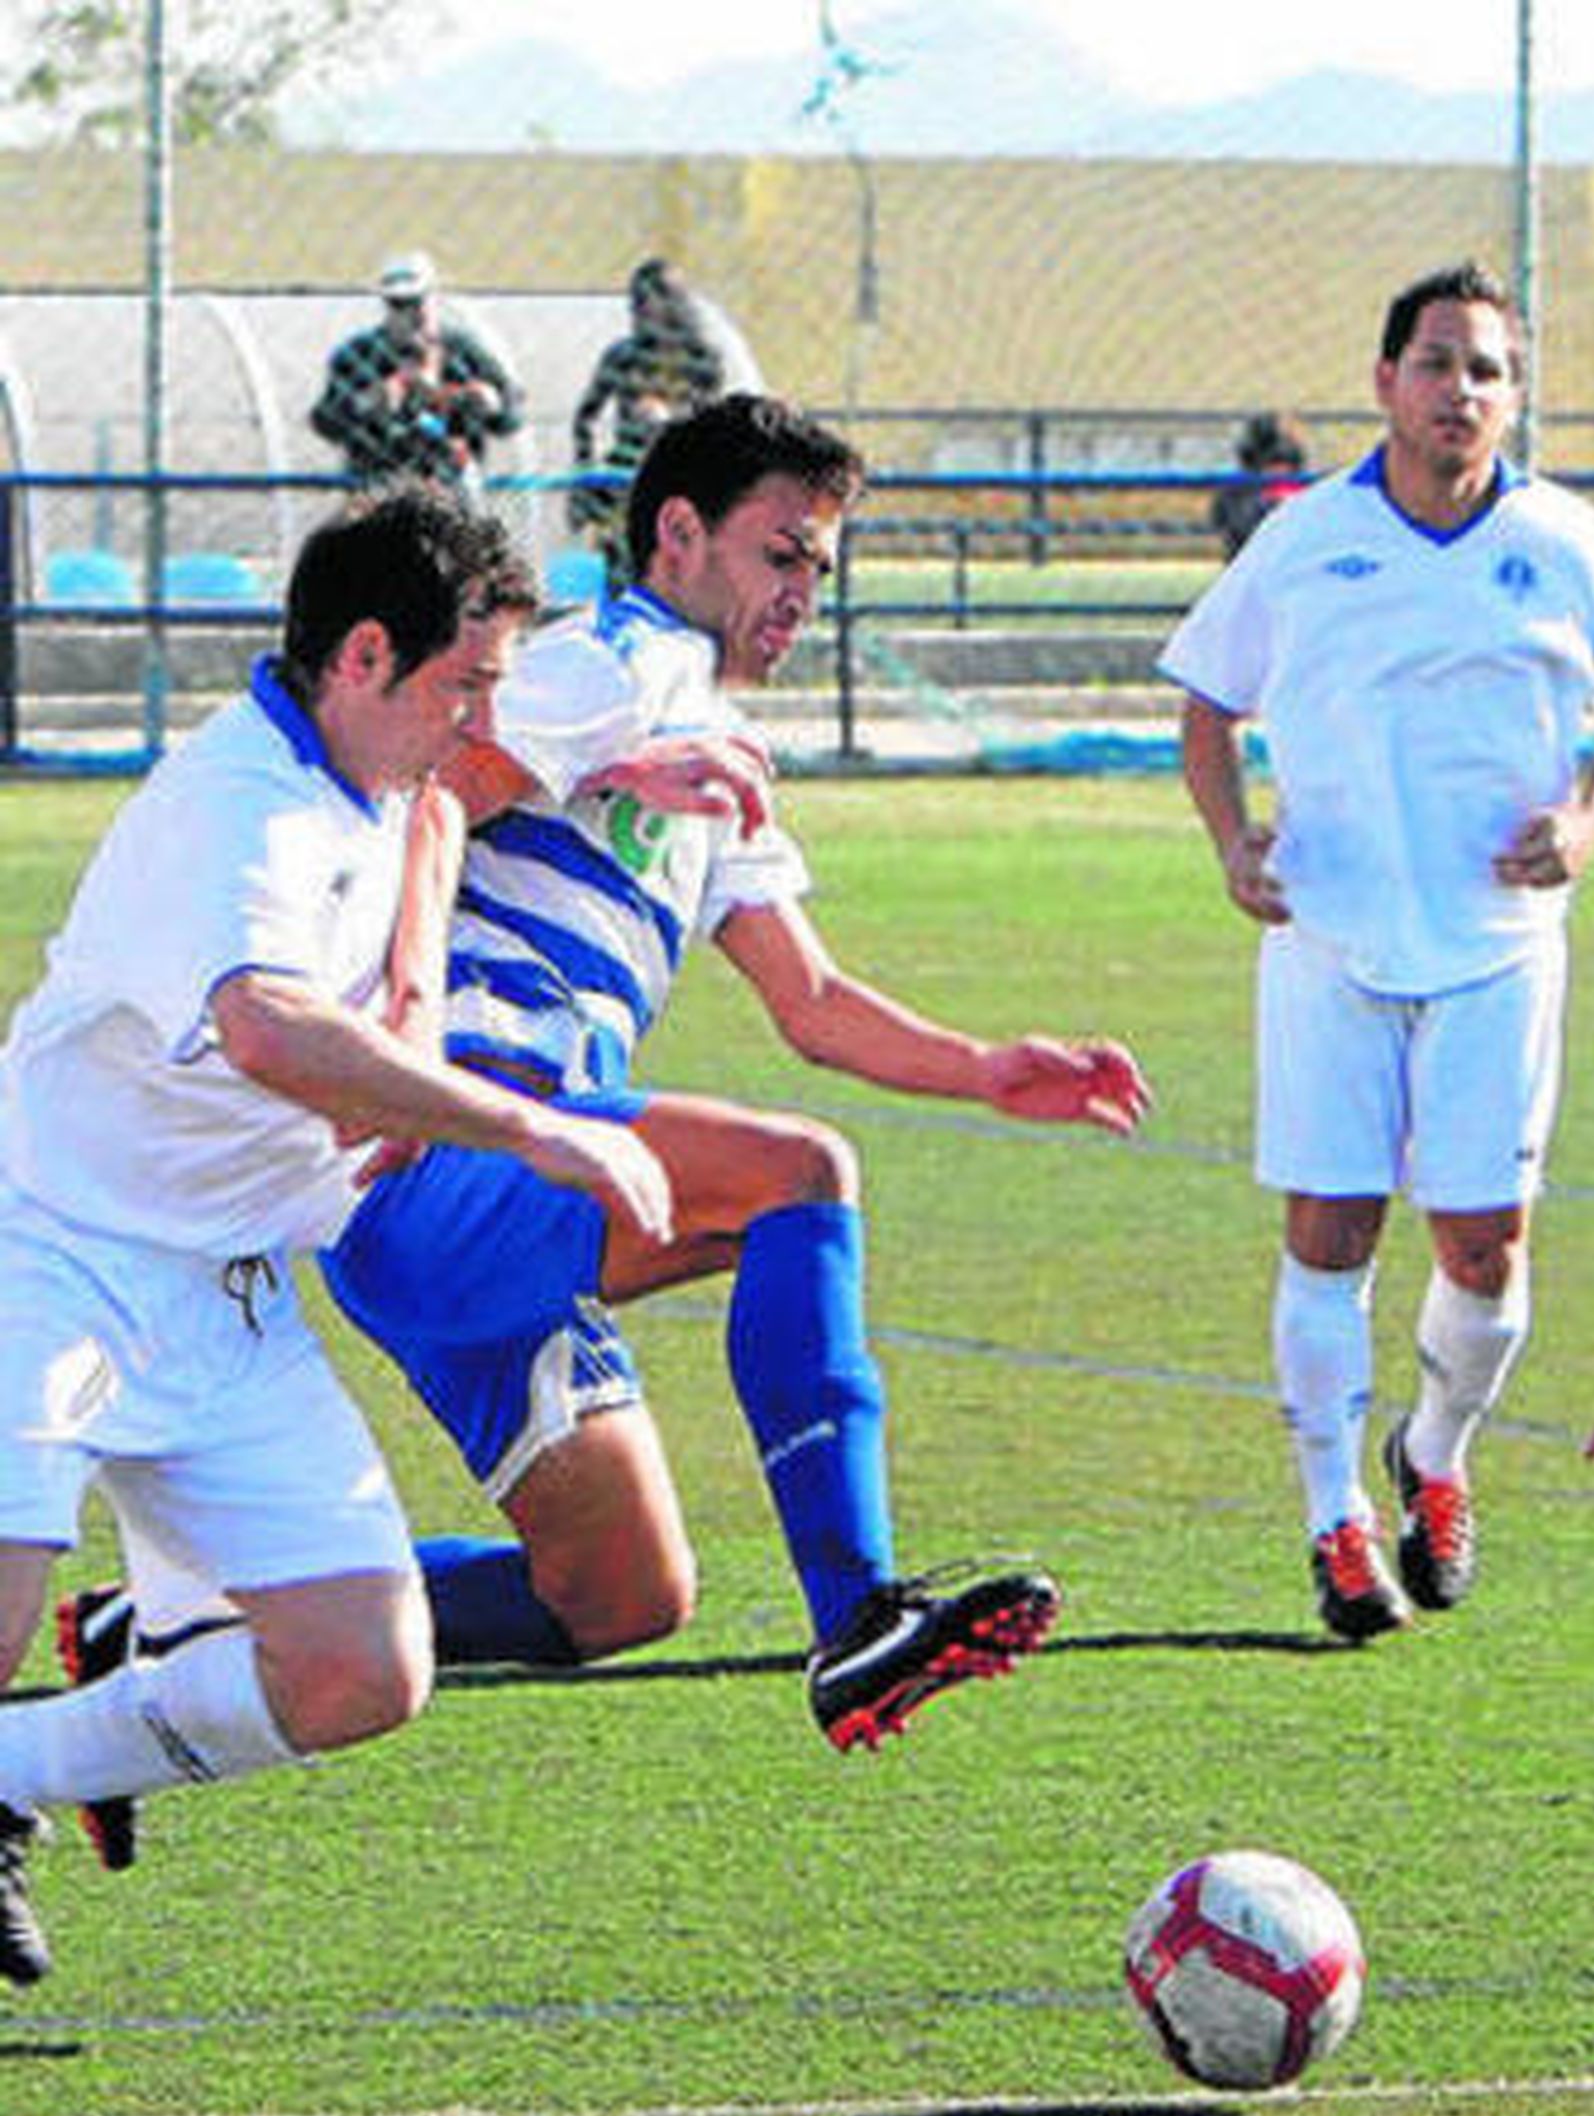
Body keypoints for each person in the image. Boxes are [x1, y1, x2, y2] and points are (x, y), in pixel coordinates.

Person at [59, 393, 1150, 1874]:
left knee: (620, 1597)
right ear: (677, 533)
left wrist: (988, 1068)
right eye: (779, 553)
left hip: (512, 1193)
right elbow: (436, 794)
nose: (801, 593)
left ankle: (167, 1626)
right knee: (798, 1177)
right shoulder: (612, 663)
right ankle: (857, 1614)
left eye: (821, 567)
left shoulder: (709, 734)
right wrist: (418, 1008)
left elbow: (813, 1004)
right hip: (466, 1150)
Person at [0, 484, 676, 1987]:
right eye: (464, 686)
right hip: (47, 1260)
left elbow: (432, 820)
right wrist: (526, 1127)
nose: (480, 724)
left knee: (364, 1671)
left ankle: (11, 1776)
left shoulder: (383, 773)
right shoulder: (235, 804)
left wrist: (419, 995)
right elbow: (267, 1027)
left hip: (228, 1293)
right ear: (364, 654)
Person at [1161, 262, 1594, 1642]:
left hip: (1500, 949)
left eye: (1486, 369)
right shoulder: (1304, 540)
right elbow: (1206, 705)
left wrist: (1583, 822)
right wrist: (1233, 843)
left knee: (1486, 1253)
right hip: (1330, 940)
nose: (1459, 390)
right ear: (1385, 383)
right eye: (1436, 362)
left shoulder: (1566, 542)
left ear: (1513, 396)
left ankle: (1436, 1455)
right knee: (1331, 1230)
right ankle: (1334, 1520)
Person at [310, 250, 524, 497]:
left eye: (417, 302)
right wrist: (365, 402)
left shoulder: (465, 352)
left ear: (434, 297)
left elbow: (510, 417)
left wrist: (491, 403)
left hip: (452, 484)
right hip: (378, 482)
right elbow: (324, 421)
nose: (410, 314)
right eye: (398, 305)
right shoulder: (356, 356)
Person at [569, 258, 726, 585]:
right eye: (637, 302)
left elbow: (712, 424)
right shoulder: (623, 357)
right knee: (623, 562)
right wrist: (585, 472)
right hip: (628, 472)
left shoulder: (701, 359)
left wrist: (672, 417)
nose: (642, 310)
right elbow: (585, 418)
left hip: (682, 473)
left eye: (650, 301)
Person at [1208, 411, 1310, 562]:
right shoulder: (1237, 489)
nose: (1279, 470)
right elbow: (1233, 528)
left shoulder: (1300, 487)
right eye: (1274, 465)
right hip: (1251, 556)